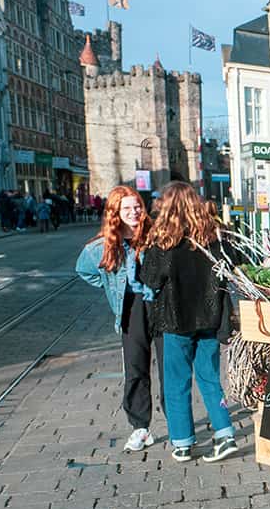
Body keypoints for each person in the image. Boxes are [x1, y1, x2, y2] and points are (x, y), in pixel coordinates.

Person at [141, 181, 237, 463]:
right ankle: (225, 433)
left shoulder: (163, 243)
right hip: (210, 318)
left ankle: (182, 442)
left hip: (176, 321)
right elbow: (229, 267)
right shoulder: (213, 237)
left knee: (176, 382)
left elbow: (150, 280)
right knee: (210, 379)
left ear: (167, 207)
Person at [75, 186, 164, 452]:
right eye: (126, 208)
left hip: (160, 307)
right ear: (115, 212)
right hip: (131, 310)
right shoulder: (106, 244)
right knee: (136, 370)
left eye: (137, 206)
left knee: (169, 369)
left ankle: (179, 426)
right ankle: (140, 427)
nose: (134, 212)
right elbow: (84, 269)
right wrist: (110, 286)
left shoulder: (155, 235)